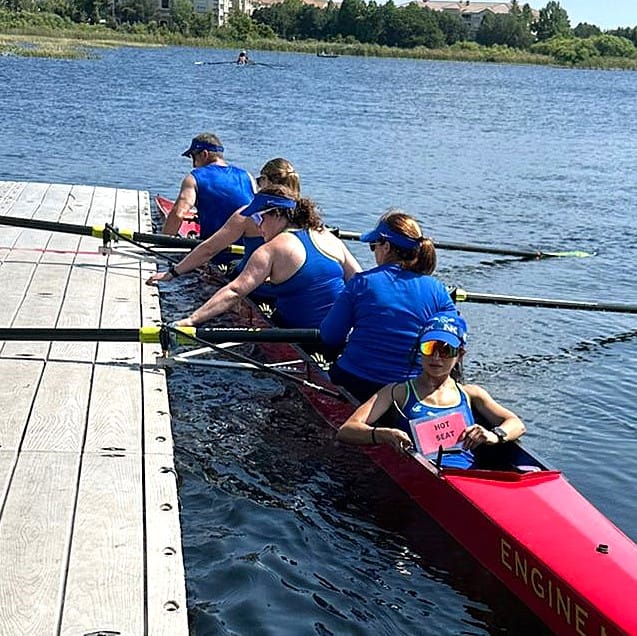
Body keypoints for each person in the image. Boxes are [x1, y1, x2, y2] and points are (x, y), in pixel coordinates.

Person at [335, 312, 526, 469]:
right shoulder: (397, 392)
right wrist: (384, 434)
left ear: (460, 355)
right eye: (429, 347)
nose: (436, 357)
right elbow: (347, 430)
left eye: (446, 350)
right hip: (421, 475)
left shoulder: (471, 393)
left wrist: (494, 435)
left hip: (467, 479)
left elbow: (516, 424)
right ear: (420, 350)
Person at [172, 184, 362, 330]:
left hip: (300, 336)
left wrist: (191, 320)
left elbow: (235, 292)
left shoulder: (270, 250)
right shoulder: (326, 236)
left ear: (278, 214)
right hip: (344, 332)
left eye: (258, 217)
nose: (258, 225)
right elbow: (360, 282)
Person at [320, 210, 457, 402]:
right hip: (411, 391)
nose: (374, 250)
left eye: (373, 245)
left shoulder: (361, 283)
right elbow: (454, 342)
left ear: (385, 246)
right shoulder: (438, 290)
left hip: (357, 383)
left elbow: (330, 336)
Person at [146, 158, 300, 286]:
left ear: (268, 182)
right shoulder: (304, 213)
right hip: (290, 283)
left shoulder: (247, 215)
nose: (258, 186)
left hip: (252, 279)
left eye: (260, 180)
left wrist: (172, 272)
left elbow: (209, 249)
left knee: (231, 266)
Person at [162, 133, 255, 244]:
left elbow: (178, 214)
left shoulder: (194, 178)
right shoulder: (248, 176)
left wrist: (161, 243)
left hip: (214, 253)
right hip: (248, 253)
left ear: (204, 154)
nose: (193, 165)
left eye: (193, 157)